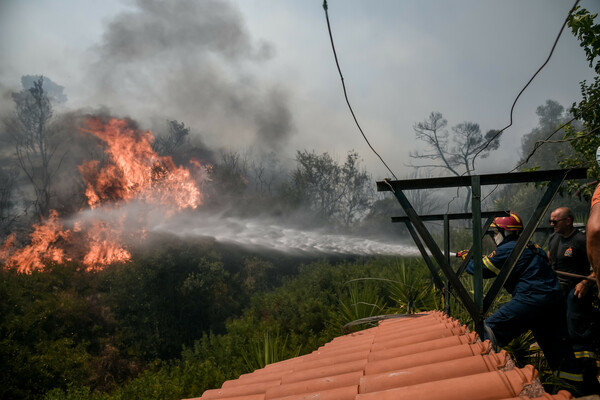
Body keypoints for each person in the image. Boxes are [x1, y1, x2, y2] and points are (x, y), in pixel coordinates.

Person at [462, 212, 587, 391]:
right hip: (554, 302)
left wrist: (469, 260)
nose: (493, 237)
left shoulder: (508, 248)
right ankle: (574, 390)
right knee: (558, 349)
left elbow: (482, 269)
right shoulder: (532, 246)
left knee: (488, 331)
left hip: (531, 299)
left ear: (505, 232)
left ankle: (486, 381)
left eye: (494, 233)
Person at [548, 207, 599, 391]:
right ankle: (567, 377)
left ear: (568, 221)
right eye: (550, 221)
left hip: (576, 294)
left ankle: (587, 375)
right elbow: (550, 261)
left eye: (555, 221)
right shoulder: (553, 239)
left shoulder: (581, 240)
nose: (552, 225)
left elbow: (597, 266)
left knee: (577, 331)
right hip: (558, 292)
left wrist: (586, 282)